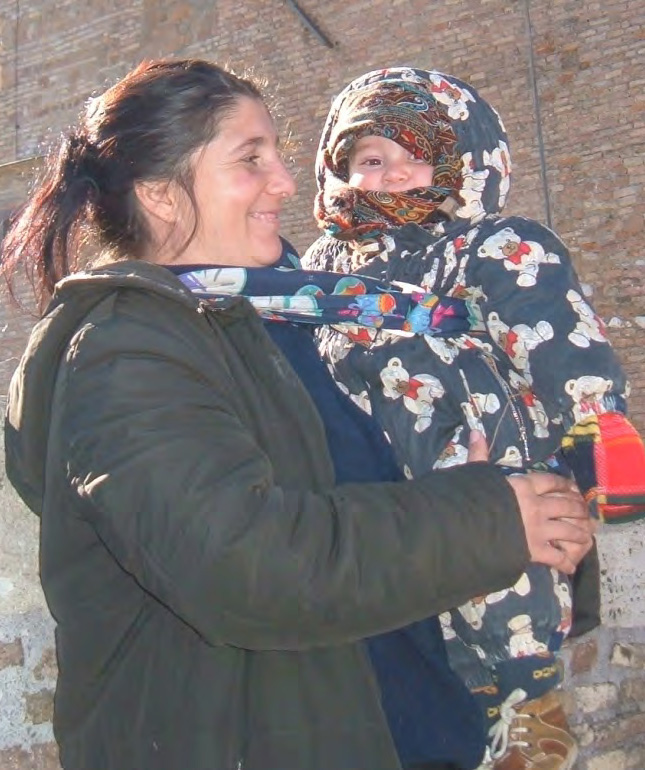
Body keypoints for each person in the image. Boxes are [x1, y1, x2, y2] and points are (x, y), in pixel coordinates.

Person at [1, 58, 594, 770]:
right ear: (161, 195)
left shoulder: (308, 318)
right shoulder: (124, 353)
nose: (286, 183)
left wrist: (517, 502)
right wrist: (486, 520)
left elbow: (384, 510)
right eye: (250, 160)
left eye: (278, 155)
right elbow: (247, 566)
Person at [301, 66, 645, 770]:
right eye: (370, 159)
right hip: (379, 502)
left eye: (415, 154)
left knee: (503, 595)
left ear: (463, 163)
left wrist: (615, 501)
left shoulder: (492, 246)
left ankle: (532, 716)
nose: (392, 175)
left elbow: (569, 362)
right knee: (412, 656)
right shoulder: (318, 274)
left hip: (489, 474)